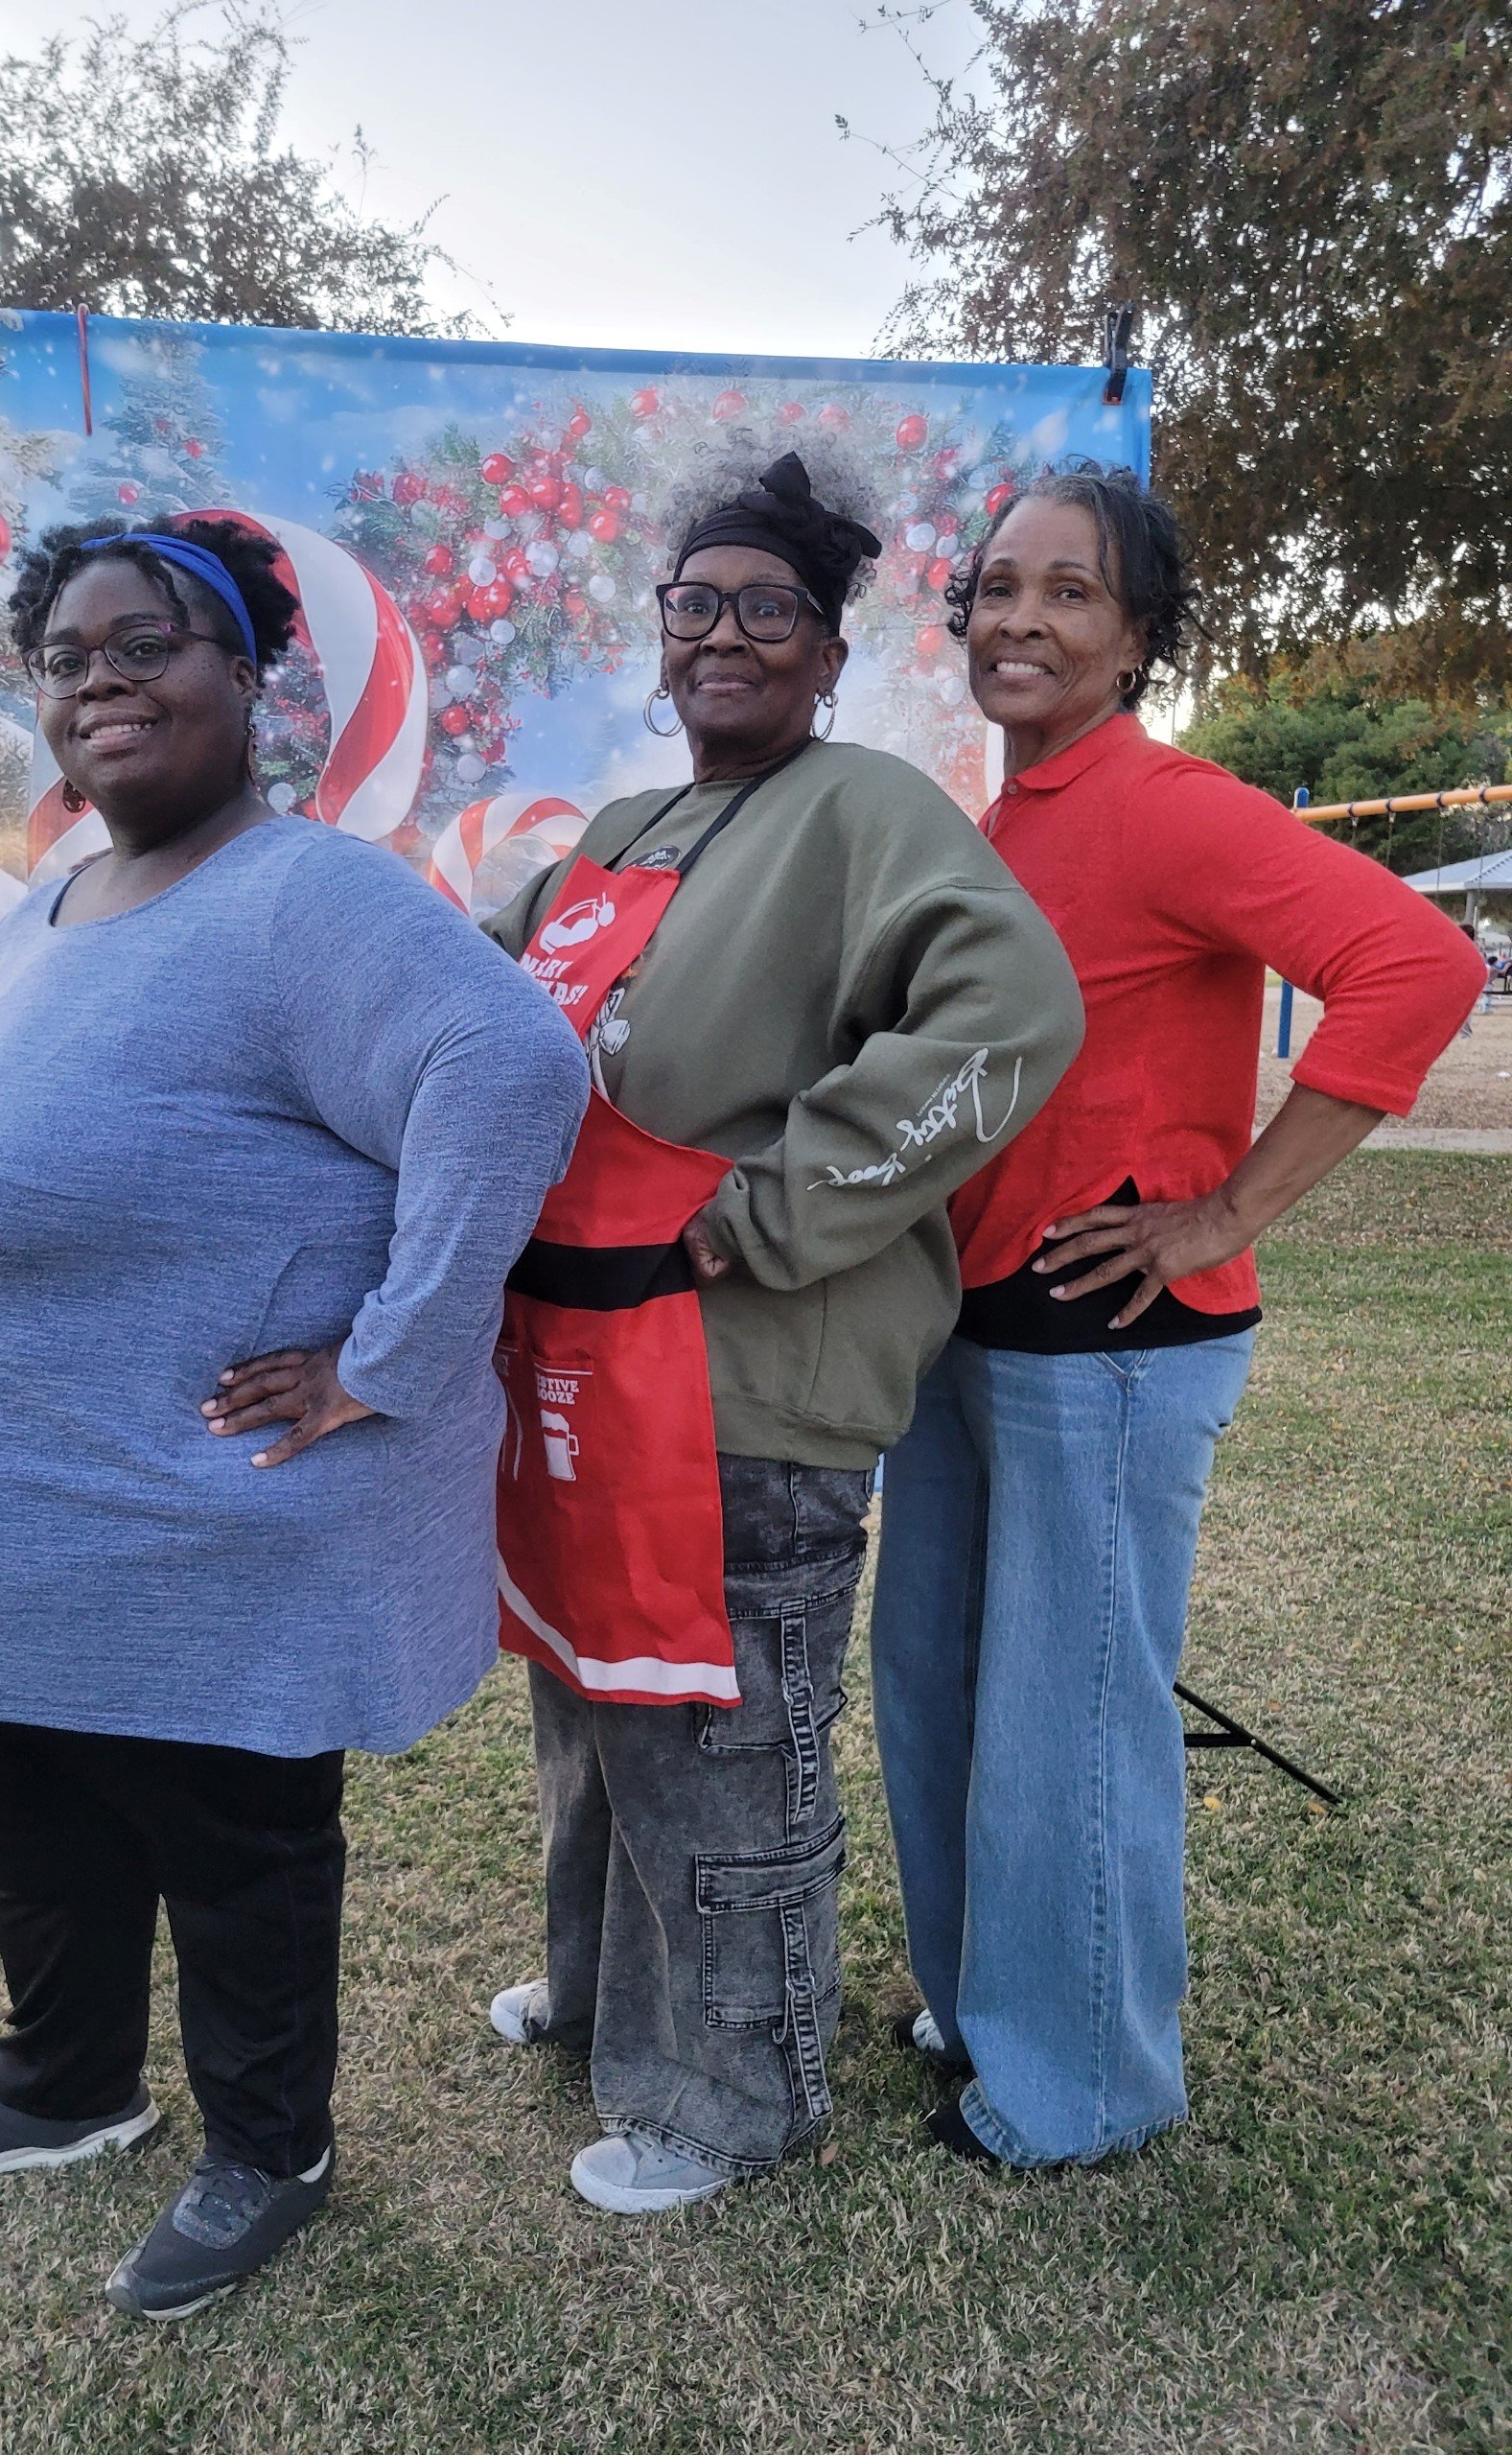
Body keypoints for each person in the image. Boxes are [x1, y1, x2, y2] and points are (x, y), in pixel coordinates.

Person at [0, 516, 587, 2319]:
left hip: (194, 1516)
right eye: (70, 655)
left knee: (227, 1844)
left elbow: (513, 1069)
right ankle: (64, 2084)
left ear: (247, 679)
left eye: (148, 643)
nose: (105, 679)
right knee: (7, 1796)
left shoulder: (302, 896)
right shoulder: (56, 906)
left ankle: (268, 2146)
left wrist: (388, 1356)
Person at [474, 452, 1085, 2213]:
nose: (723, 635)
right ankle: (604, 2003)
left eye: (768, 610)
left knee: (725, 1744)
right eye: (693, 606)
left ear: (826, 654)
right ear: (659, 644)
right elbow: (481, 1022)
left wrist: (770, 1205)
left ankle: (733, 2097)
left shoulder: (864, 810)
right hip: (585, 1375)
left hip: (748, 1386)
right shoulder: (612, 836)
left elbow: (1008, 1012)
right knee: (596, 1720)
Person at [870, 465, 1487, 2171]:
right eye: (997, 587)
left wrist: (1222, 1210)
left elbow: (1416, 966)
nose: (1019, 619)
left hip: (1113, 1338)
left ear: (1138, 635)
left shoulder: (1165, 803)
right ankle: (985, 1993)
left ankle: (1079, 2088)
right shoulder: (1002, 824)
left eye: (1071, 593)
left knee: (1066, 1710)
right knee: (934, 1679)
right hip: (967, 1326)